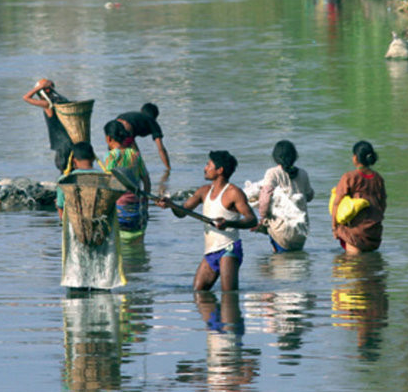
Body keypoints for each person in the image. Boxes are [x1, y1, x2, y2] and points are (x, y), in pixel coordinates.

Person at [157, 151, 257, 291]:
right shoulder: (203, 191)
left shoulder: (234, 193)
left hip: (229, 249)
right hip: (211, 252)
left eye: (208, 165)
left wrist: (228, 223)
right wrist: (170, 205)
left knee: (229, 295)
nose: (205, 168)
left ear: (219, 170)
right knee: (198, 293)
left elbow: (252, 220)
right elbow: (182, 212)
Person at [56, 141, 126, 289]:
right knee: (101, 264)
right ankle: (101, 286)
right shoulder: (106, 179)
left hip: (76, 228)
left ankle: (77, 288)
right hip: (102, 229)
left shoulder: (65, 180)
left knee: (77, 262)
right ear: (94, 159)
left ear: (74, 160)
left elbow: (61, 207)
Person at [253, 140, 314, 253]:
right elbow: (309, 196)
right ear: (295, 156)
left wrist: (263, 217)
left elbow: (265, 200)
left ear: (276, 157)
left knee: (279, 262)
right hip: (301, 230)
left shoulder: (272, 173)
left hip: (282, 229)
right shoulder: (303, 173)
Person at [331, 140, 387, 254]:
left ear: (355, 158)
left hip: (356, 233)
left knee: (352, 265)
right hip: (374, 234)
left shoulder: (349, 177)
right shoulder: (379, 179)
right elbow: (383, 205)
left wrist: (335, 228)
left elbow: (336, 203)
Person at [103, 119, 151, 241]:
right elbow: (146, 180)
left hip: (119, 209)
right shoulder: (135, 154)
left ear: (108, 138)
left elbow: (107, 183)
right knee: (138, 243)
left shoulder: (110, 156)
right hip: (137, 207)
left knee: (120, 246)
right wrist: (145, 203)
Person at [23, 78, 73, 172]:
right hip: (70, 139)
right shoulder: (60, 100)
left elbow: (26, 98)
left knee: (64, 168)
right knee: (70, 166)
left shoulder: (47, 103)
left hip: (61, 141)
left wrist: (40, 86)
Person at [116, 103, 171, 170]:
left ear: (141, 110)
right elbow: (161, 149)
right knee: (136, 157)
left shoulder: (136, 116)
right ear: (155, 116)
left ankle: (114, 169)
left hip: (114, 124)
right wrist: (168, 168)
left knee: (120, 151)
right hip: (127, 127)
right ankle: (134, 172)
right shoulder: (152, 122)